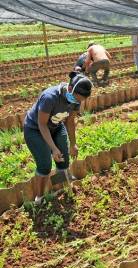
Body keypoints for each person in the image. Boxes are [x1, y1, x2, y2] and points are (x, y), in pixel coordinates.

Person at [23, 72, 92, 204]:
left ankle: (60, 187)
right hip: (35, 129)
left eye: (82, 100)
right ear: (70, 89)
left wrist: (73, 144)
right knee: (45, 165)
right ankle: (39, 198)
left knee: (63, 159)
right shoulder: (50, 97)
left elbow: (70, 122)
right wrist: (53, 148)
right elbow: (42, 124)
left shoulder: (76, 100)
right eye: (78, 99)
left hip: (55, 126)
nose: (79, 103)